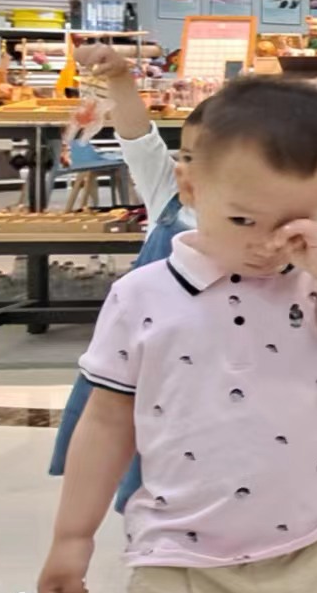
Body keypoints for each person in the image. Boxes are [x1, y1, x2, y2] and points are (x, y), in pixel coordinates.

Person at [36, 77, 317, 593]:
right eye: (242, 220)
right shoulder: (142, 297)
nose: (267, 244)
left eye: (291, 222)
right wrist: (72, 536)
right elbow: (107, 421)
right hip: (181, 566)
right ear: (189, 187)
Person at [45, 46, 203, 511]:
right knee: (135, 459)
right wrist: (119, 80)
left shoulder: (267, 227)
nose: (188, 169)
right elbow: (139, 137)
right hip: (147, 367)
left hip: (210, 375)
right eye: (186, 156)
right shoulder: (169, 196)